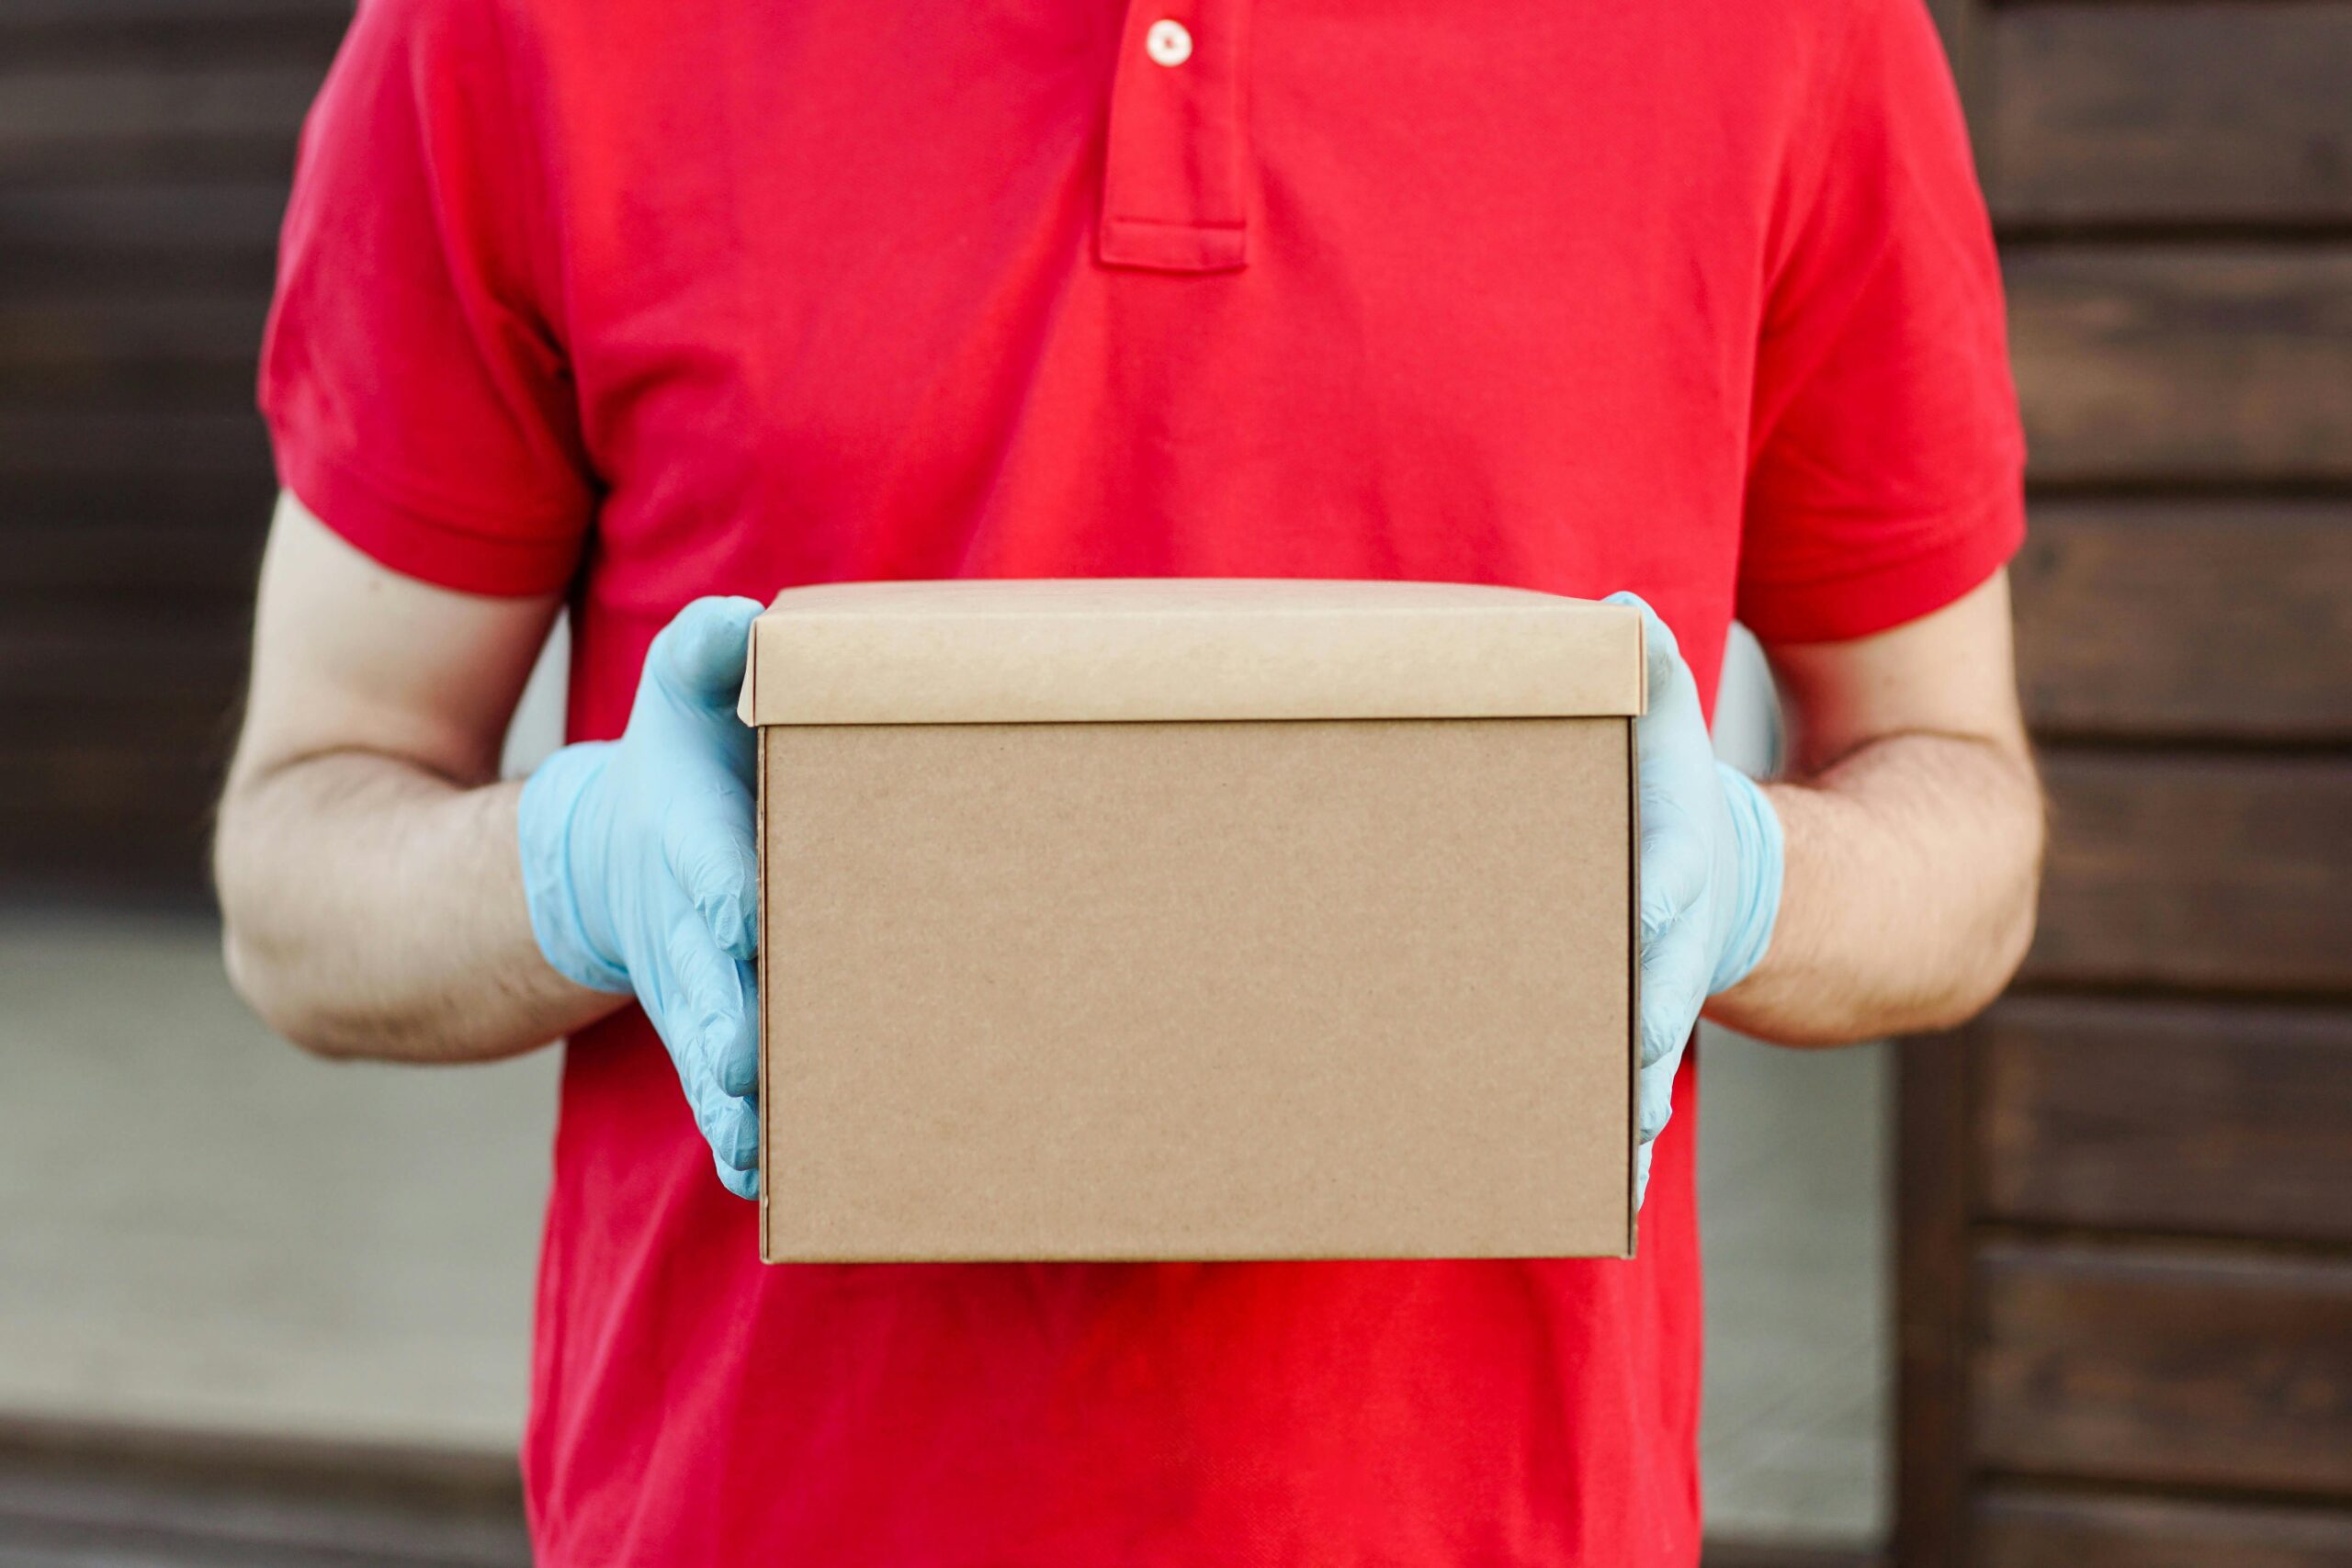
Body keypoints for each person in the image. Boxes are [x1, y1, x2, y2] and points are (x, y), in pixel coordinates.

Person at [214, 0, 2044, 1561]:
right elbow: (299, 869)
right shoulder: (518, 28)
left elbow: (1960, 813)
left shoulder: (1782, 30)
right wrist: (582, 865)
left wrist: (1744, 877)